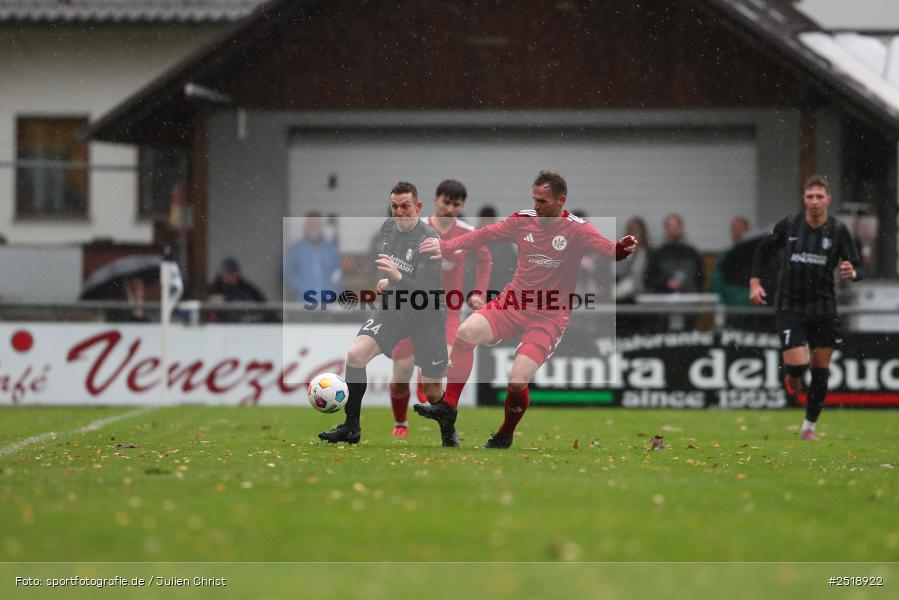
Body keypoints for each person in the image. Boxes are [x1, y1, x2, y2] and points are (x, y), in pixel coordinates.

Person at [417, 171, 637, 448]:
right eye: (534, 199)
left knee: (517, 382)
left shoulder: (578, 229)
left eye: (542, 201)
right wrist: (447, 246)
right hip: (512, 304)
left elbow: (608, 250)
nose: (536, 206)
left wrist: (621, 248)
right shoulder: (522, 220)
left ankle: (505, 433)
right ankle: (448, 407)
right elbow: (483, 235)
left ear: (560, 200)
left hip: (549, 315)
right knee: (465, 332)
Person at [318, 182, 451, 445]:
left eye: (405, 206)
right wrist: (388, 281)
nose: (399, 212)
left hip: (426, 317)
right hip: (394, 310)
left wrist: (397, 278)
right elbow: (393, 271)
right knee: (356, 355)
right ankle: (351, 427)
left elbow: (425, 291)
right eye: (394, 206)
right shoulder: (387, 229)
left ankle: (449, 434)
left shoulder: (428, 241)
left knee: (433, 391)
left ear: (418, 207)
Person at [750, 175, 862, 441]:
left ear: (828, 200)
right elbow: (762, 250)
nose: (814, 201)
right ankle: (793, 374)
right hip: (791, 306)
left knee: (821, 370)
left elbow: (856, 265)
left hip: (824, 308)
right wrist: (755, 282)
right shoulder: (790, 225)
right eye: (810, 196)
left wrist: (853, 272)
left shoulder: (838, 230)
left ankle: (809, 426)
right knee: (799, 364)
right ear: (804, 199)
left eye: (819, 196)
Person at [388, 180, 492, 438]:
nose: (450, 209)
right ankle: (401, 422)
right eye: (446, 202)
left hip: (447, 309)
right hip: (411, 306)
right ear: (435, 200)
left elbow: (485, 260)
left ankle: (444, 423)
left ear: (462, 205)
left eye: (456, 204)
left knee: (443, 362)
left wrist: (478, 292)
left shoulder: (467, 233)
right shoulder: (417, 228)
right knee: (400, 376)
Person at [284, 211, 343, 302]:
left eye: (316, 224)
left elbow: (337, 272)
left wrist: (333, 289)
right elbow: (287, 273)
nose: (314, 226)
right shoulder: (296, 249)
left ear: (321, 226)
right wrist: (301, 287)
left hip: (326, 302)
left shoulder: (330, 249)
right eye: (311, 224)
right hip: (303, 302)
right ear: (305, 226)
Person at [644, 213, 704, 295]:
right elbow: (649, 279)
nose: (673, 230)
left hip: (689, 298)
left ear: (681, 228)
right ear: (666, 230)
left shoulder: (692, 254)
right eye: (670, 227)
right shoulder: (658, 255)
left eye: (676, 227)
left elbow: (700, 278)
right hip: (664, 299)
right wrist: (666, 284)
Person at [711, 216, 754, 328]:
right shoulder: (725, 255)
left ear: (748, 230)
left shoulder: (757, 255)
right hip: (731, 306)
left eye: (740, 228)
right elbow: (717, 282)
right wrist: (720, 303)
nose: (737, 232)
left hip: (753, 307)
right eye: (734, 228)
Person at [614, 216, 652, 334]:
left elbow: (649, 275)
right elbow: (617, 273)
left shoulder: (648, 254)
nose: (634, 235)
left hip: (641, 295)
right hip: (623, 299)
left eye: (637, 231)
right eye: (631, 231)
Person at [207, 257, 269, 323]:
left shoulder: (246, 287)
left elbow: (263, 304)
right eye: (229, 273)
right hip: (222, 326)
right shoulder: (215, 289)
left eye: (234, 273)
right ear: (221, 273)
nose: (231, 277)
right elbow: (212, 314)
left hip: (245, 324)